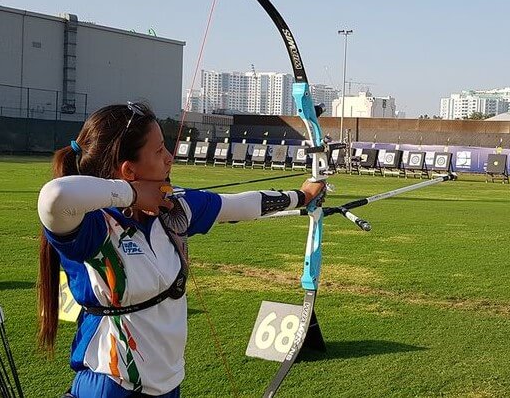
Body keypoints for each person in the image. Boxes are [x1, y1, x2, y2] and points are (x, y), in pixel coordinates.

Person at [36, 102, 324, 397]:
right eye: (159, 150)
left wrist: (301, 196)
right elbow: (54, 197)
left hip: (166, 382)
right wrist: (133, 194)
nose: (169, 158)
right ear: (128, 169)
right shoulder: (93, 228)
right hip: (112, 382)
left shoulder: (175, 207)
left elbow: (240, 205)